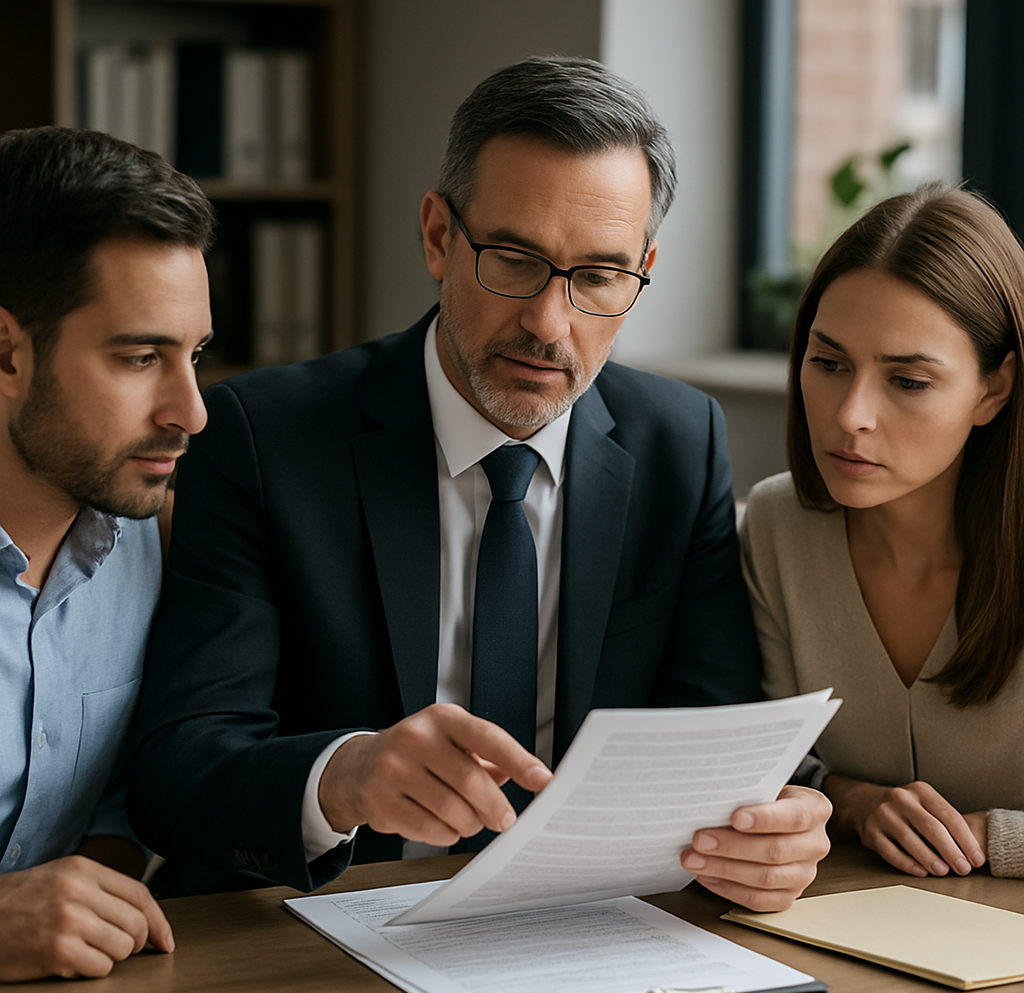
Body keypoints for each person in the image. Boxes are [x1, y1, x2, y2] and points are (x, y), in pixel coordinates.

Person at [128, 56, 830, 910]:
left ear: (642, 270)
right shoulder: (262, 436)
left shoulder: (681, 445)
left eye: (599, 277)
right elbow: (177, 770)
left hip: (583, 925)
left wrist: (766, 834)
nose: (548, 323)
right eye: (514, 259)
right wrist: (341, 778)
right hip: (317, 923)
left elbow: (710, 744)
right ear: (437, 236)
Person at [741, 183, 1024, 880]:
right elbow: (768, 762)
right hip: (836, 925)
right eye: (829, 364)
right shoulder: (776, 527)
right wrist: (854, 804)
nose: (851, 415)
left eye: (909, 381)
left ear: (993, 389)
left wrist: (994, 836)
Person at [0, 126, 215, 980]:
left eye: (194, 355)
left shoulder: (155, 537)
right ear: (7, 353)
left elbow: (125, 801)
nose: (191, 411)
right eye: (140, 358)